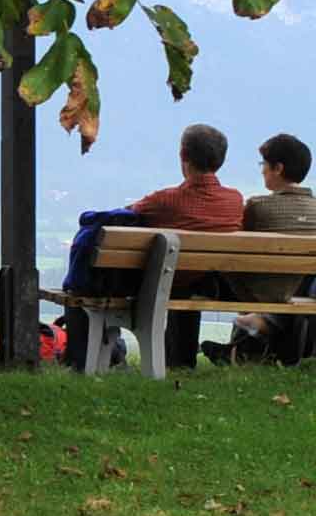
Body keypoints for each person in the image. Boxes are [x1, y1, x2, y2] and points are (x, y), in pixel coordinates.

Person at [55, 126, 244, 368]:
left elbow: (123, 215)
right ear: (221, 160)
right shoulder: (234, 200)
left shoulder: (165, 201)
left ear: (183, 155)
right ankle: (180, 363)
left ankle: (78, 362)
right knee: (183, 281)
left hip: (156, 282)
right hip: (201, 280)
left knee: (80, 289)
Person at [235, 134, 316, 365]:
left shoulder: (258, 206)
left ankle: (251, 341)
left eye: (264, 164)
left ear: (278, 168)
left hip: (260, 287)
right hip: (301, 284)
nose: (262, 170)